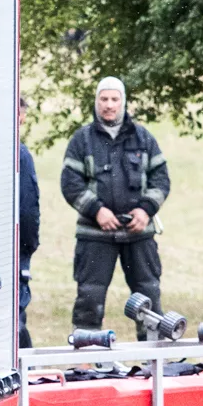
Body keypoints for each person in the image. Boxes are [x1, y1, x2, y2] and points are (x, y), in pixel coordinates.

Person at [61, 76, 170, 335]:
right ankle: (85, 362)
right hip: (95, 236)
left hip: (139, 235)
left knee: (149, 297)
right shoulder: (82, 140)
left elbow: (161, 180)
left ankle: (152, 360)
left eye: (114, 99)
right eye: (104, 99)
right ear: (96, 102)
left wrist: (146, 210)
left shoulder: (143, 138)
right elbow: (70, 184)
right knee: (89, 298)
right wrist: (96, 210)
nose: (109, 105)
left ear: (123, 102)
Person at [16, 93, 40, 348]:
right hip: (14, 249)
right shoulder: (20, 155)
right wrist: (29, 246)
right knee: (16, 318)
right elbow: (28, 210)